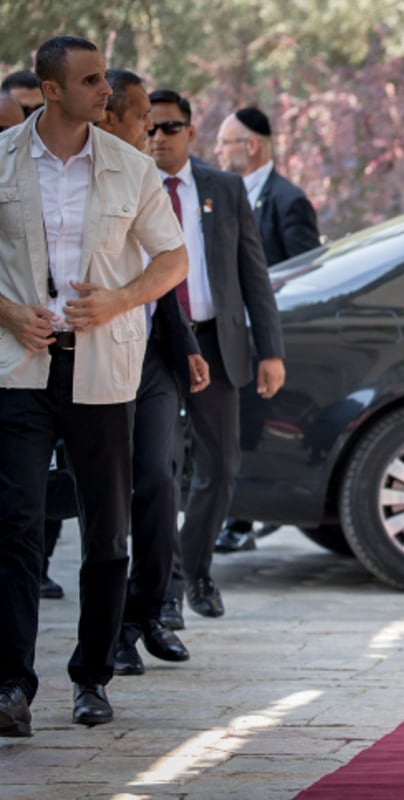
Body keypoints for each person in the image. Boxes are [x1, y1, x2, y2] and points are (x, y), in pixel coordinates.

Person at [0, 35, 187, 735]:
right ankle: (11, 685)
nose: (104, 91)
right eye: (89, 80)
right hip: (20, 366)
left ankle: (92, 676)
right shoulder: (3, 160)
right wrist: (11, 312)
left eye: (104, 78)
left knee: (109, 534)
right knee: (16, 522)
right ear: (50, 90)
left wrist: (119, 299)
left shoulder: (129, 167)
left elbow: (171, 258)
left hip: (104, 368)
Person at [146, 89, 284, 623]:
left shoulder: (223, 189)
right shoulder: (130, 188)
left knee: (220, 468)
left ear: (190, 132)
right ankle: (164, 589)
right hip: (154, 347)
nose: (160, 137)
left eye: (171, 127)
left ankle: (196, 571)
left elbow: (254, 274)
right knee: (159, 470)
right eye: (151, 128)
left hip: (216, 343)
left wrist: (270, 350)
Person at [98, 69, 209, 675]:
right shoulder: (86, 176)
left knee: (161, 482)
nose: (151, 128)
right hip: (92, 360)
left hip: (154, 358)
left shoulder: (146, 177)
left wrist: (185, 342)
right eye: (142, 116)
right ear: (108, 115)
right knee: (110, 498)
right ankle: (113, 631)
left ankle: (152, 612)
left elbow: (164, 274)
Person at [213, 105, 320, 554]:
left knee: (253, 427)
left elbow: (305, 270)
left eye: (225, 143)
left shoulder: (286, 199)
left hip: (269, 334)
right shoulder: (222, 195)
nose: (218, 152)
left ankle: (242, 519)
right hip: (230, 331)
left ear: (250, 146)